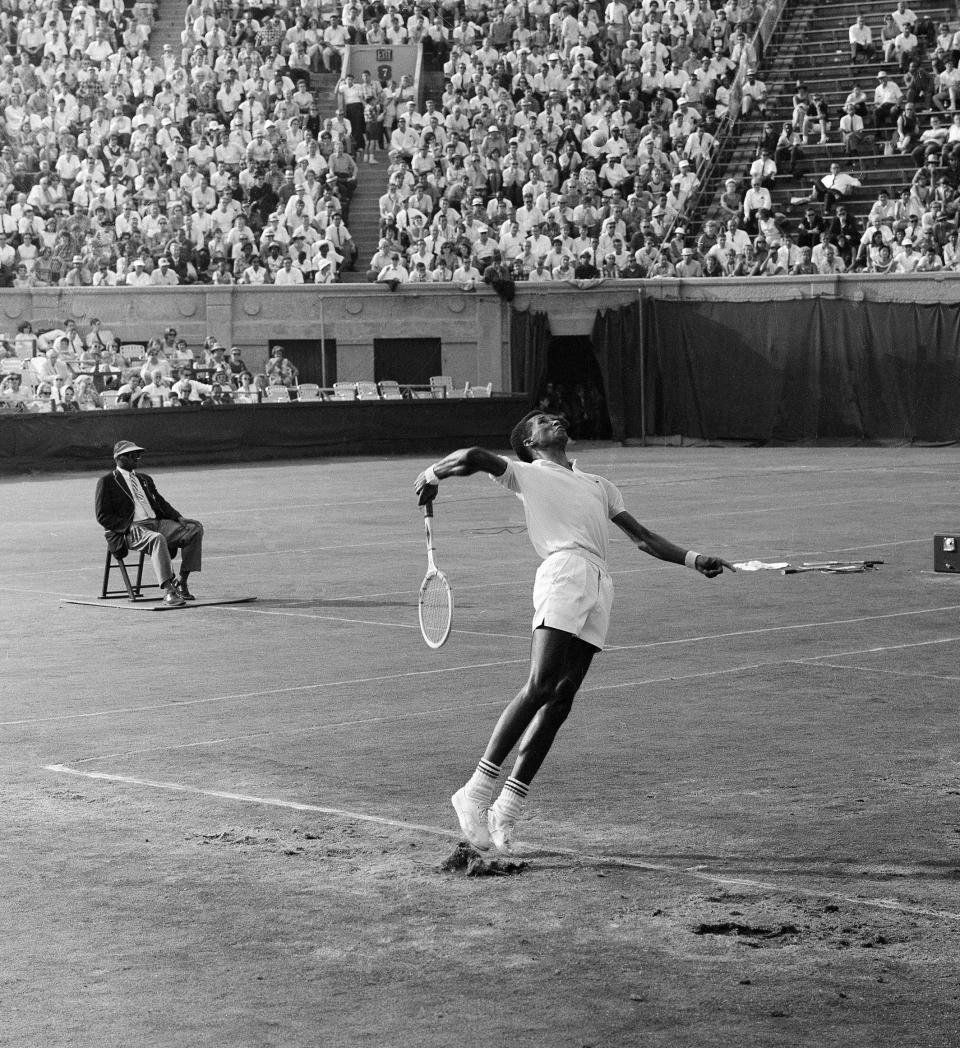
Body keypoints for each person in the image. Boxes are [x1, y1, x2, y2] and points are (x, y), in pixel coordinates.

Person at [413, 412, 734, 853]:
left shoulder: (600, 485)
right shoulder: (525, 473)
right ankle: (474, 791)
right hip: (563, 571)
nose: (556, 421)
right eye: (543, 421)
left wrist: (694, 559)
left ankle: (504, 811)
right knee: (541, 684)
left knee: (561, 697)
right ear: (529, 440)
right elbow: (472, 456)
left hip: (600, 582)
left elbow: (641, 537)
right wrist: (433, 474)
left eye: (556, 417)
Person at [95, 440, 205, 608]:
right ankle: (169, 591)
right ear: (119, 458)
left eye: (137, 455)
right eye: (131, 455)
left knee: (194, 529)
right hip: (130, 529)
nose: (136, 458)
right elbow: (102, 516)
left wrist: (178, 517)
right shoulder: (107, 481)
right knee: (157, 539)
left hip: (156, 522)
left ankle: (181, 582)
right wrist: (127, 526)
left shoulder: (145, 479)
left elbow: (160, 502)